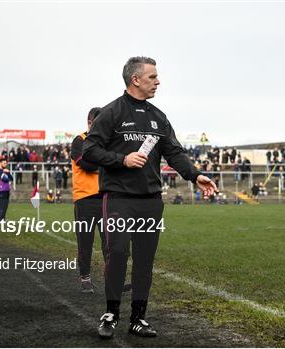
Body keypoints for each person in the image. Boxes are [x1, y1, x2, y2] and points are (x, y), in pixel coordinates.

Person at [83, 56, 217, 339]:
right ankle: (111, 312)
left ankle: (138, 318)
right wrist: (122, 159)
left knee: (145, 260)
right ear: (135, 80)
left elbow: (175, 152)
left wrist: (195, 175)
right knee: (118, 253)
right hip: (118, 199)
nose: (158, 81)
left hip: (150, 200)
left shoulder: (159, 117)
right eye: (153, 77)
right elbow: (90, 152)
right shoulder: (111, 113)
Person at [71, 107, 104, 293]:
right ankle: (85, 278)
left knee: (111, 242)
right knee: (85, 241)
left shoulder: (105, 143)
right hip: (85, 199)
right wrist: (108, 163)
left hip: (106, 197)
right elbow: (85, 164)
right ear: (90, 123)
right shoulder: (79, 141)